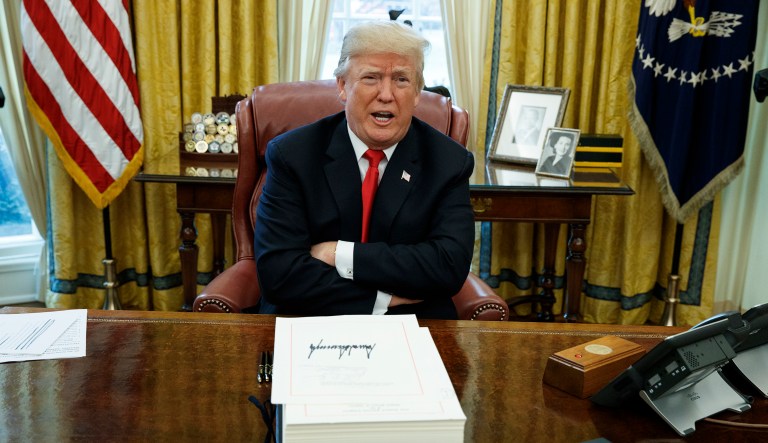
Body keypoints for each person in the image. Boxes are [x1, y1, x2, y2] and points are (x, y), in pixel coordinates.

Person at [253, 21, 475, 319]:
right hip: (309, 321)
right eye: (371, 78)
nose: (386, 94)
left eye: (401, 80)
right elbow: (279, 275)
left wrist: (338, 254)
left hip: (414, 325)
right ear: (343, 86)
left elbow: (447, 267)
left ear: (418, 92)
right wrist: (382, 299)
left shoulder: (448, 162)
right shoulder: (293, 155)